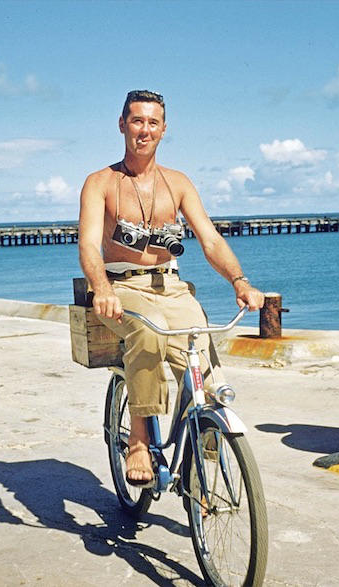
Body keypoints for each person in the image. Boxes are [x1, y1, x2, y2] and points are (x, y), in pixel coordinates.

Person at [78, 90, 264, 484]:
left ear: (164, 130)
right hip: (123, 286)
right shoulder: (100, 182)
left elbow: (210, 240)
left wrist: (239, 281)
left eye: (152, 123)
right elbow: (89, 245)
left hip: (173, 286)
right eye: (136, 121)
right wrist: (102, 288)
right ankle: (140, 441)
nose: (144, 131)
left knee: (203, 360)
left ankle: (205, 434)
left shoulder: (177, 182)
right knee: (147, 333)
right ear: (122, 125)